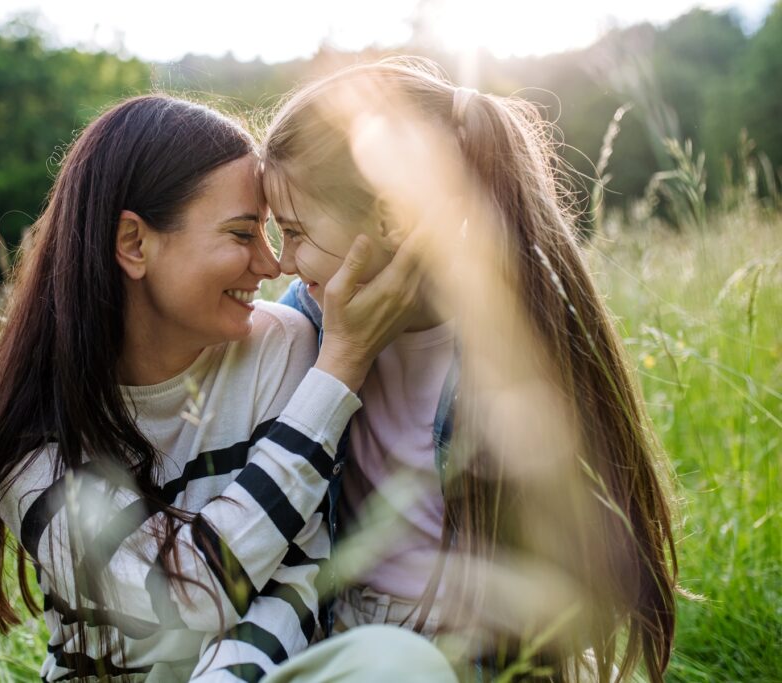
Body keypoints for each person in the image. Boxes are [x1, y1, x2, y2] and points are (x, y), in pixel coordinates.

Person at [0, 95, 422, 682]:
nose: (271, 266)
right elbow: (181, 596)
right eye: (243, 234)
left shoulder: (283, 347)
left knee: (399, 665)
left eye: (271, 234)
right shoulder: (24, 433)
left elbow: (297, 576)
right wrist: (342, 364)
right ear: (135, 244)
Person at [256, 57, 678, 682]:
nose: (282, 261)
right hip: (347, 635)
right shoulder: (305, 324)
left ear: (391, 220)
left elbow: (593, 551)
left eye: (294, 232)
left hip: (489, 645)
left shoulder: (519, 335)